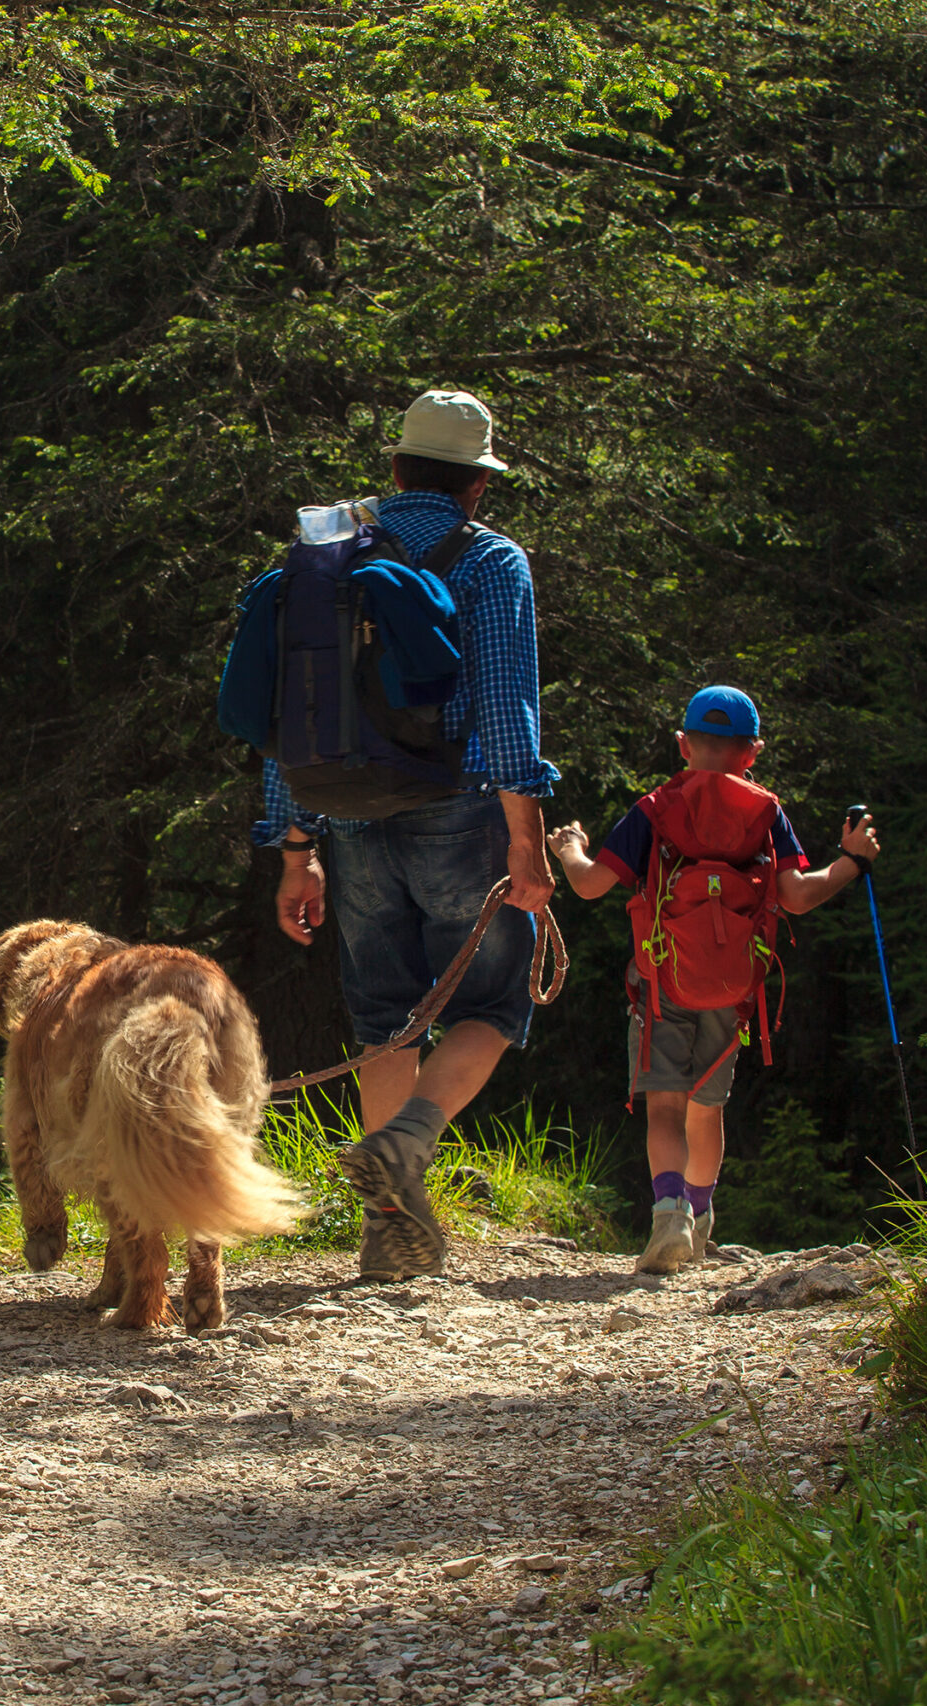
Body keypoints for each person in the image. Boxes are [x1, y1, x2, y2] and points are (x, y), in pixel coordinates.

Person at [262, 389, 558, 1281]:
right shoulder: (490, 559)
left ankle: (388, 1236)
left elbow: (293, 713)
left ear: (393, 471)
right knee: (495, 1006)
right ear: (478, 486)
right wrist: (528, 843)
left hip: (347, 815)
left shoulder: (330, 554)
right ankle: (407, 1144)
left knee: (386, 1019)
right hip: (461, 808)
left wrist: (294, 845)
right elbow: (507, 711)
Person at [546, 686, 883, 1273]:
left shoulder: (656, 807)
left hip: (660, 980)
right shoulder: (766, 812)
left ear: (683, 745)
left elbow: (592, 884)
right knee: (708, 1108)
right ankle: (700, 1221)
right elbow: (797, 896)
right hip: (734, 990)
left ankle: (668, 1216)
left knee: (664, 1108)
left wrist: (570, 849)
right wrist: (852, 858)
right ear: (751, 752)